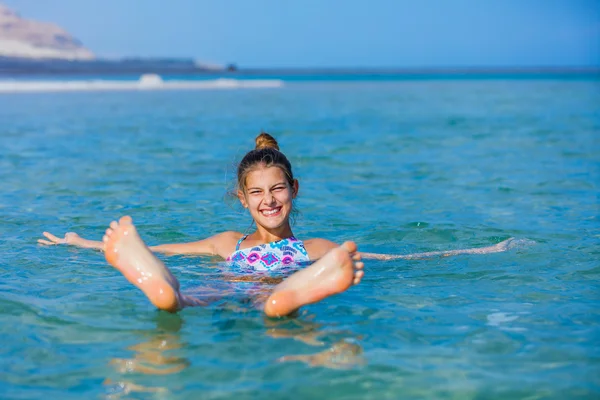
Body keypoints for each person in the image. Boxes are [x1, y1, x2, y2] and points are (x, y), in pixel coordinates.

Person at [38, 133, 517, 317]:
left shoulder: (318, 244)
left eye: (278, 189)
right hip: (235, 288)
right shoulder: (226, 242)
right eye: (258, 193)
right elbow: (162, 247)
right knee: (195, 292)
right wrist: (82, 242)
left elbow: (395, 259)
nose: (269, 201)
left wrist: (480, 251)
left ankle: (182, 294)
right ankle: (166, 289)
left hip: (264, 284)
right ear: (243, 200)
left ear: (293, 190)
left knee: (229, 300)